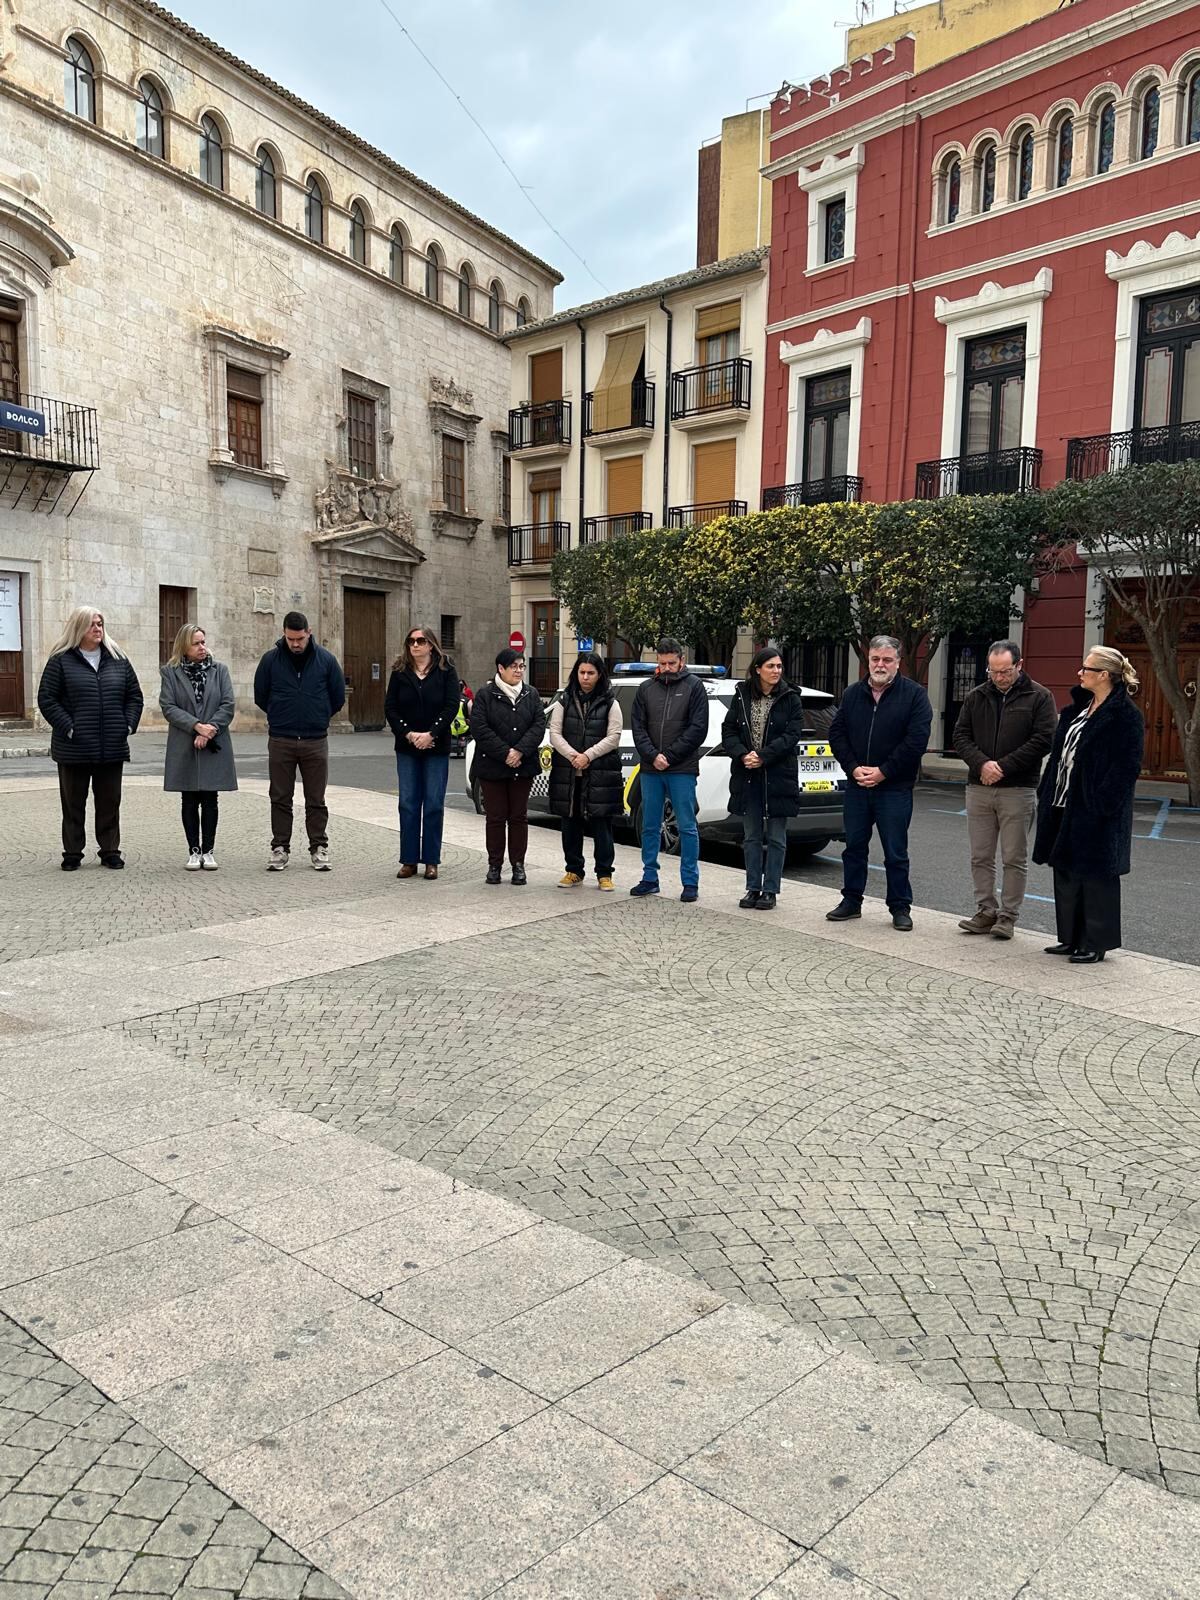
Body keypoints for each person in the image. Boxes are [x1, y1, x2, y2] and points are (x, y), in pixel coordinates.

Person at [1032, 646, 1144, 964]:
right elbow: (1059, 755)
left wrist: (1102, 804)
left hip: (1098, 809)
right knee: (1066, 871)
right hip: (1062, 803)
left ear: (1104, 675)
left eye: (1086, 668)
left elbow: (1127, 765)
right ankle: (1070, 938)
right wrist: (1046, 790)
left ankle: (1096, 942)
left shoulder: (1125, 715)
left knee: (1097, 875)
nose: (1080, 673)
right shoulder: (1078, 709)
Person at [827, 634, 932, 931]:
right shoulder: (851, 694)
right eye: (875, 659)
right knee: (854, 848)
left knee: (896, 852)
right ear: (868, 660)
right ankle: (851, 902)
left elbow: (916, 741)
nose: (880, 664)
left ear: (898, 662)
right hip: (858, 787)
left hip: (894, 789)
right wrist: (853, 768)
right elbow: (837, 734)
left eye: (887, 659)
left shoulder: (914, 696)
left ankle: (900, 907)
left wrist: (884, 771)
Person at [953, 640, 1057, 940]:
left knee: (1014, 857)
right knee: (980, 855)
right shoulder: (976, 696)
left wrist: (1003, 766)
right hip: (979, 787)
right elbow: (960, 735)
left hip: (1018, 788)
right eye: (993, 671)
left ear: (1019, 666)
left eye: (1005, 671)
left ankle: (1008, 917)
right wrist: (982, 764)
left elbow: (1043, 739)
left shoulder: (1040, 697)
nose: (999, 677)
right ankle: (985, 910)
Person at [37, 607, 143, 871]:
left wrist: (128, 725)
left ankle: (110, 851)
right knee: (73, 803)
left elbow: (134, 696)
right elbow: (47, 699)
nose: (98, 629)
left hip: (112, 745)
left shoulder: (118, 658)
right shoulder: (61, 660)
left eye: (100, 623)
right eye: (91, 624)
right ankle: (72, 853)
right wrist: (69, 727)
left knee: (109, 802)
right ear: (78, 628)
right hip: (73, 747)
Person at [253, 610, 346, 872]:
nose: (295, 644)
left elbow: (337, 696)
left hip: (315, 740)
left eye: (300, 639)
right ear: (284, 634)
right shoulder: (271, 660)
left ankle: (319, 847)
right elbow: (261, 694)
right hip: (281, 738)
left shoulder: (326, 660)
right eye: (291, 639)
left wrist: (318, 715)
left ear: (309, 633)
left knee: (316, 798)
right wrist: (279, 713)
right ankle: (280, 848)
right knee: (280, 797)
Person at [719, 647, 806, 911]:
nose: (776, 671)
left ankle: (771, 890)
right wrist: (743, 755)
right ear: (757, 669)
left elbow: (792, 736)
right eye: (770, 666)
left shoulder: (791, 698)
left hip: (778, 774)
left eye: (779, 666)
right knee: (752, 836)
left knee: (777, 837)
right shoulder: (742, 694)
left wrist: (763, 756)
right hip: (748, 776)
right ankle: (753, 887)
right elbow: (729, 730)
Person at [629, 638, 708, 902]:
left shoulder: (694, 687)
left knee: (687, 826)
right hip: (651, 770)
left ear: (681, 661)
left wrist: (669, 756)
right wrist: (653, 756)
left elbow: (698, 729)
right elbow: (637, 729)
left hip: (682, 769)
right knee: (650, 825)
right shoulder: (645, 689)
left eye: (671, 663)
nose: (666, 668)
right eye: (662, 663)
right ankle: (649, 877)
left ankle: (690, 882)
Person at [385, 624, 461, 881]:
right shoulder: (399, 672)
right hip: (407, 747)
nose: (414, 645)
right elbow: (391, 708)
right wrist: (409, 734)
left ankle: (431, 860)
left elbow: (451, 706)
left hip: (435, 747)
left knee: (433, 803)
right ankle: (408, 860)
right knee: (407, 803)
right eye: (410, 641)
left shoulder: (446, 670)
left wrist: (431, 734)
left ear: (431, 644)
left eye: (419, 641)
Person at [160, 624, 237, 870]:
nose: (202, 647)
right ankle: (194, 851)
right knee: (189, 798)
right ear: (184, 645)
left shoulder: (219, 670)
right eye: (196, 643)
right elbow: (169, 707)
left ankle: (209, 851)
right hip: (185, 742)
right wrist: (196, 726)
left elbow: (227, 704)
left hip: (214, 741)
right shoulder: (170, 672)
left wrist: (209, 729)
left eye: (203, 641)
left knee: (211, 797)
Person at [470, 647, 546, 885]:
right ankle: (495, 865)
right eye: (514, 666)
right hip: (493, 765)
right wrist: (505, 753)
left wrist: (520, 751)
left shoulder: (531, 694)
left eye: (522, 666)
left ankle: (518, 865)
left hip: (522, 765)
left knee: (518, 817)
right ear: (500, 669)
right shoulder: (485, 694)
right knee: (495, 817)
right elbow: (480, 729)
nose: (519, 671)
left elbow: (538, 725)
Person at [548, 652, 623, 891]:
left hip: (600, 773)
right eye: (582, 672)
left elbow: (614, 737)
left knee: (602, 825)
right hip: (569, 773)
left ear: (599, 674)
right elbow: (555, 733)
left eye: (591, 673)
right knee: (570, 823)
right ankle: (573, 870)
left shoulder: (611, 702)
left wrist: (588, 756)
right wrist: (573, 756)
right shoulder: (564, 701)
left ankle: (604, 873)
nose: (586, 677)